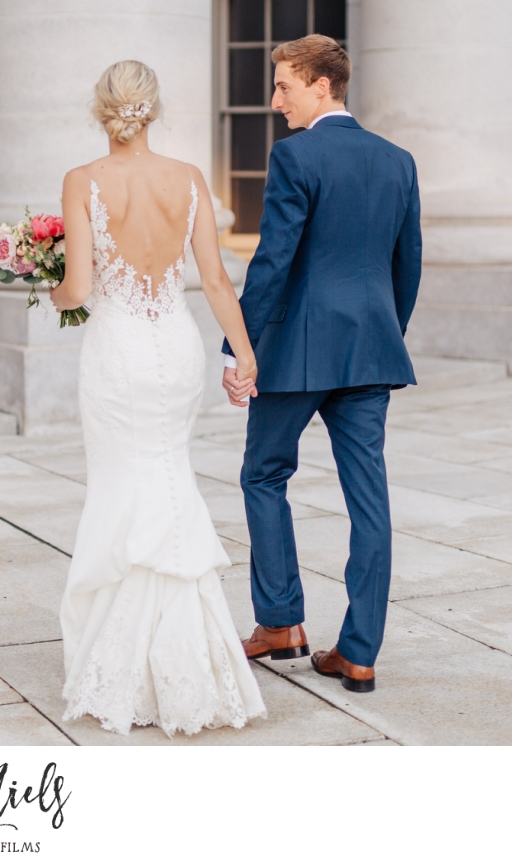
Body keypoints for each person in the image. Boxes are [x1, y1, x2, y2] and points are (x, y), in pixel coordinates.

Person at [53, 59, 269, 736]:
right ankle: (188, 661)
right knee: (171, 483)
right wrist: (245, 353)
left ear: (102, 109)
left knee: (120, 486)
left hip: (117, 351)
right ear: (153, 110)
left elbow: (80, 290)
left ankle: (130, 663)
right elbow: (215, 281)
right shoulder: (190, 180)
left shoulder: (83, 181)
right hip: (176, 348)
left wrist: (48, 286)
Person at [219, 34, 421, 694]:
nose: (275, 100)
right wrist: (383, 331)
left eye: (284, 85)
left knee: (263, 474)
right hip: (370, 350)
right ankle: (359, 653)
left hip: (298, 354)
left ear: (321, 85)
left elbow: (272, 260)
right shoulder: (398, 161)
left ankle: (280, 624)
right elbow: (407, 267)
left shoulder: (295, 156)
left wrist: (240, 349)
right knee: (370, 501)